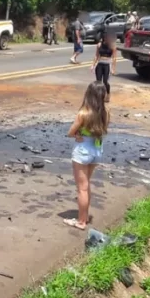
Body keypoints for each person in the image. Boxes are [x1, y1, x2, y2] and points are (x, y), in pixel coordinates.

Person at [64, 81, 109, 230]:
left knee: (81, 188)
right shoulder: (105, 112)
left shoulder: (84, 113)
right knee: (86, 184)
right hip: (97, 148)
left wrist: (77, 134)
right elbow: (101, 129)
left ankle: (81, 221)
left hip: (83, 149)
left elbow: (70, 132)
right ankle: (85, 216)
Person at [91, 35, 117, 102]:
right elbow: (96, 55)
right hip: (100, 63)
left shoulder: (112, 46)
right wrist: (93, 65)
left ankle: (108, 94)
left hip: (107, 64)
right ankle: (99, 96)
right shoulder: (99, 45)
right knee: (98, 81)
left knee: (105, 81)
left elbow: (114, 58)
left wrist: (113, 68)